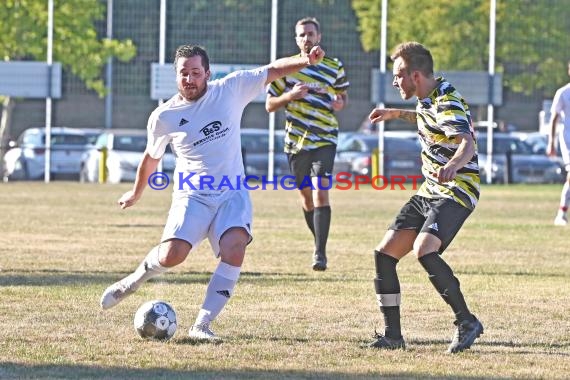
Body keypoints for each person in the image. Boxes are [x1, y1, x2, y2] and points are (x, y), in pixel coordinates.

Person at [99, 43, 326, 341]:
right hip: (192, 195)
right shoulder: (163, 116)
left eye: (195, 72)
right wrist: (136, 192)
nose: (189, 79)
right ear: (175, 75)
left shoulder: (231, 89)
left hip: (232, 193)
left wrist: (304, 60)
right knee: (172, 255)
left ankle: (202, 325)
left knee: (235, 247)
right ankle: (134, 279)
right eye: (183, 73)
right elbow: (151, 157)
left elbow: (271, 71)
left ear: (207, 72)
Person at [364, 42, 483, 353]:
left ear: (415, 75)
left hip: (457, 190)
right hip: (428, 191)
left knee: (424, 249)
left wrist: (454, 165)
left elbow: (466, 141)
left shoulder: (446, 100)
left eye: (398, 75)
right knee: (384, 255)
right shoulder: (427, 97)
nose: (394, 81)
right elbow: (425, 119)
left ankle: (466, 321)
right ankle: (393, 336)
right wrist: (393, 113)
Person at [265, 17, 349, 271]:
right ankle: (318, 242)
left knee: (320, 190)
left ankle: (319, 254)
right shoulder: (287, 67)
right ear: (296, 39)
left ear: (319, 37)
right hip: (296, 143)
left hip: (325, 138)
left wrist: (338, 103)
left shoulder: (334, 66)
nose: (306, 38)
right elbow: (270, 104)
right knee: (306, 198)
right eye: (301, 35)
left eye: (310, 33)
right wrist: (290, 95)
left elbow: (342, 97)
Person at [547, 60, 570, 226]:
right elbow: (554, 118)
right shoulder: (563, 93)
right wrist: (551, 143)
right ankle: (561, 214)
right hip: (568, 139)